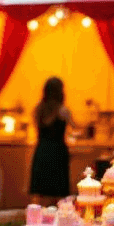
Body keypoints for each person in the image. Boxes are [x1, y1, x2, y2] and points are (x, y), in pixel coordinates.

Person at [28, 76, 76, 205]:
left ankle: (37, 220)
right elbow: (75, 128)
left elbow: (38, 126)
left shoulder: (38, 109)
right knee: (59, 194)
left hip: (42, 150)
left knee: (40, 192)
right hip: (58, 151)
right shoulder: (63, 110)